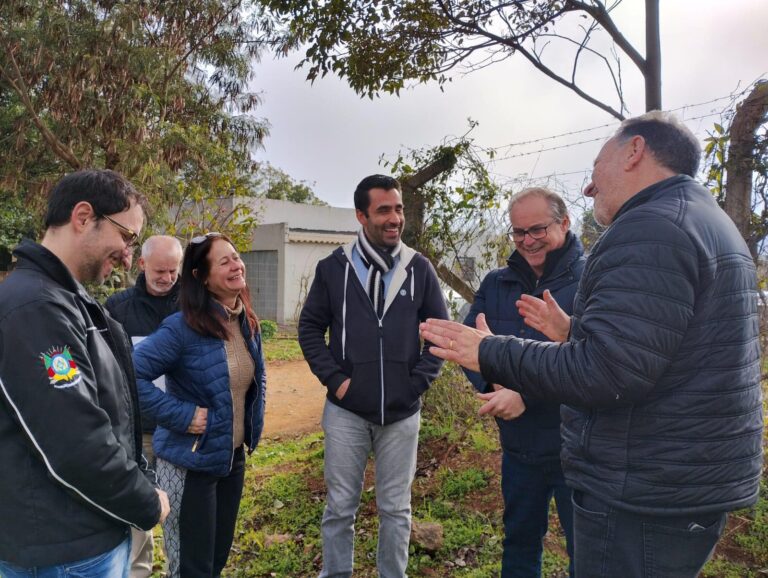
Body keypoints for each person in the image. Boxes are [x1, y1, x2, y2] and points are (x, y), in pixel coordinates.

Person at [421, 111, 764, 578]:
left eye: (595, 169)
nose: (589, 188)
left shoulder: (650, 229)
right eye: (518, 232)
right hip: (675, 478)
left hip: (641, 487)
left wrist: (489, 350)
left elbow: (607, 372)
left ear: (634, 151)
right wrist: (573, 334)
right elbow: (652, 352)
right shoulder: (706, 220)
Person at [0, 169, 169, 576]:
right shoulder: (35, 308)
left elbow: (112, 412)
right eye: (126, 238)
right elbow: (75, 442)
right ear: (82, 216)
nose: (130, 256)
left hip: (85, 536)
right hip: (61, 551)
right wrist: (145, 501)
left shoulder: (67, 302)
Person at [299, 174, 448, 578]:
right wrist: (337, 381)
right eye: (384, 210)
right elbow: (310, 328)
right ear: (362, 215)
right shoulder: (335, 268)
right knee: (340, 507)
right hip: (346, 411)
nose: (394, 218)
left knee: (397, 509)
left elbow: (440, 332)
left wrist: (416, 384)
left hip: (402, 413)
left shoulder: (419, 269)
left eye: (398, 209)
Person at [463, 187, 583, 578]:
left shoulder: (593, 280)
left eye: (538, 229)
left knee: (586, 551)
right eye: (518, 232)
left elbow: (596, 358)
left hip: (578, 447)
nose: (528, 241)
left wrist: (525, 395)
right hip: (519, 446)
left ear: (564, 224)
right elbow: (471, 343)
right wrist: (496, 389)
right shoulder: (497, 283)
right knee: (519, 541)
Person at [132, 232, 267, 578]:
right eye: (225, 261)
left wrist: (252, 428)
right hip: (189, 463)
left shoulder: (247, 322)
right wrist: (184, 415)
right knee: (191, 568)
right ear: (202, 277)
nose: (237, 264)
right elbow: (131, 375)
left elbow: (255, 382)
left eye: (236, 257)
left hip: (230, 458)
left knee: (216, 561)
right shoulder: (181, 328)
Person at [106, 235, 183, 578]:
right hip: (134, 430)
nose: (167, 278)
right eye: (159, 271)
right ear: (141, 265)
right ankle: (138, 572)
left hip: (178, 428)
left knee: (178, 511)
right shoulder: (117, 308)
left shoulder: (191, 306)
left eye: (173, 271)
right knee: (138, 513)